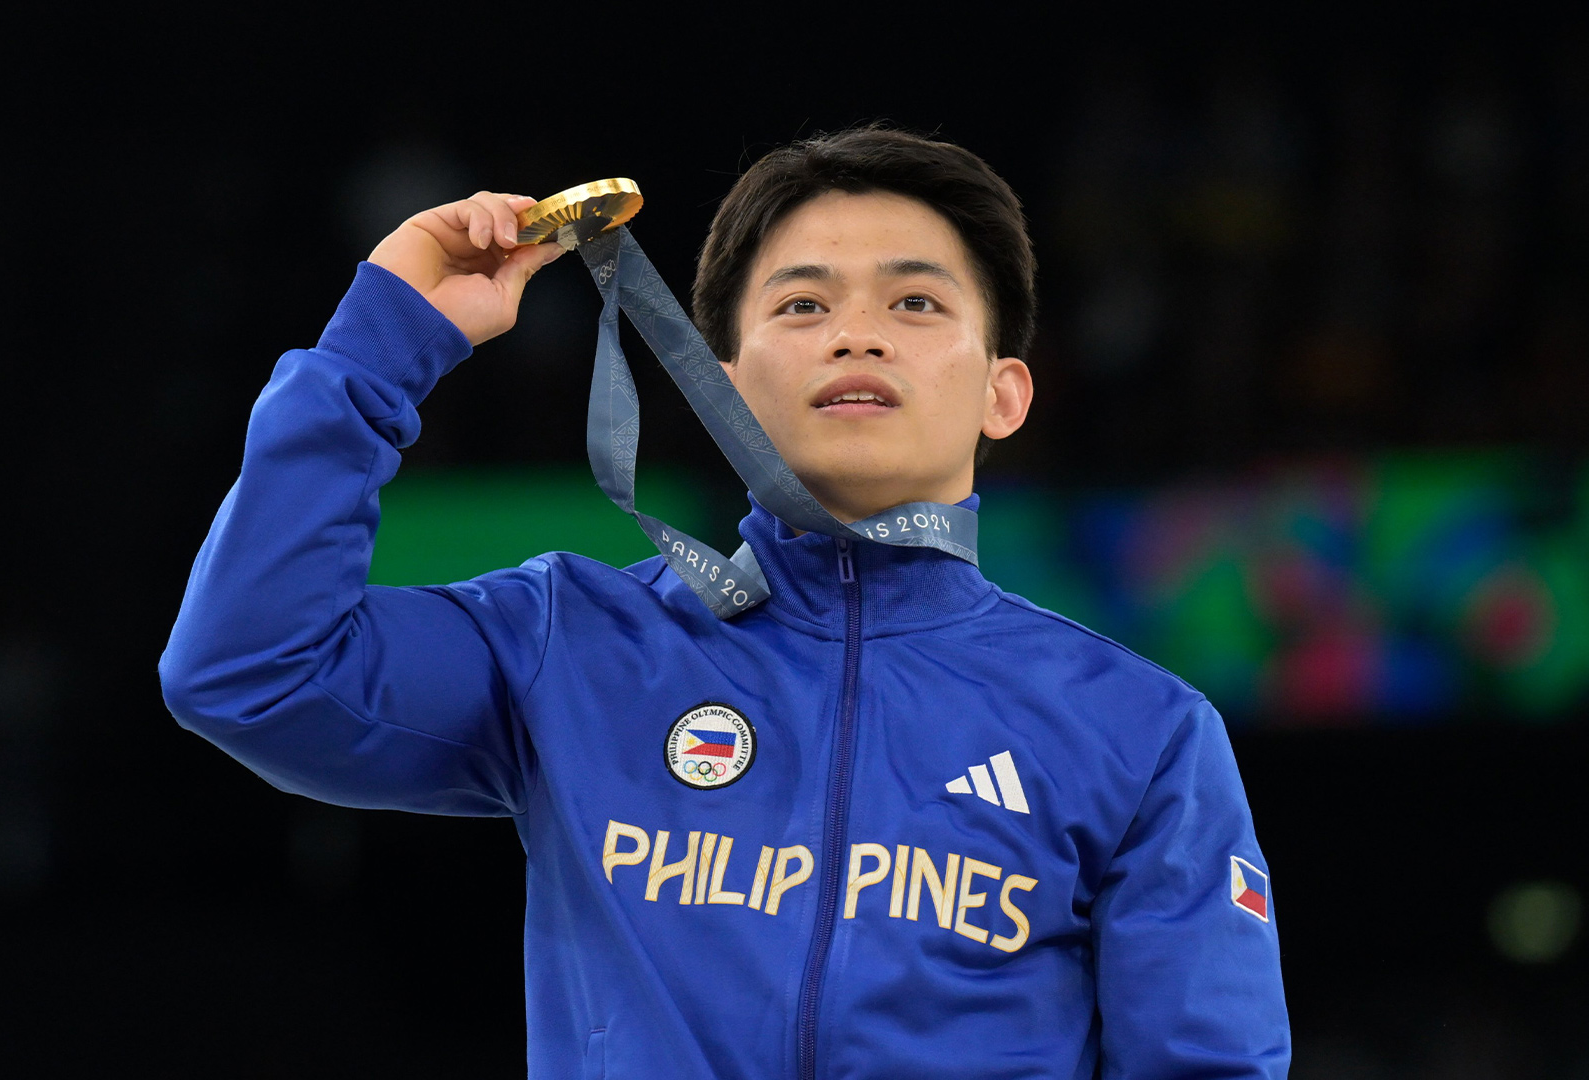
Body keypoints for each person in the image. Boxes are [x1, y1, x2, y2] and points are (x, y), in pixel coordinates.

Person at [159, 126, 1291, 1079]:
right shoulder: (571, 646)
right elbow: (250, 669)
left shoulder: (1140, 733)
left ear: (1004, 392)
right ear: (724, 384)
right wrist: (379, 345)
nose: (857, 331)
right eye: (801, 305)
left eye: (915, 301)